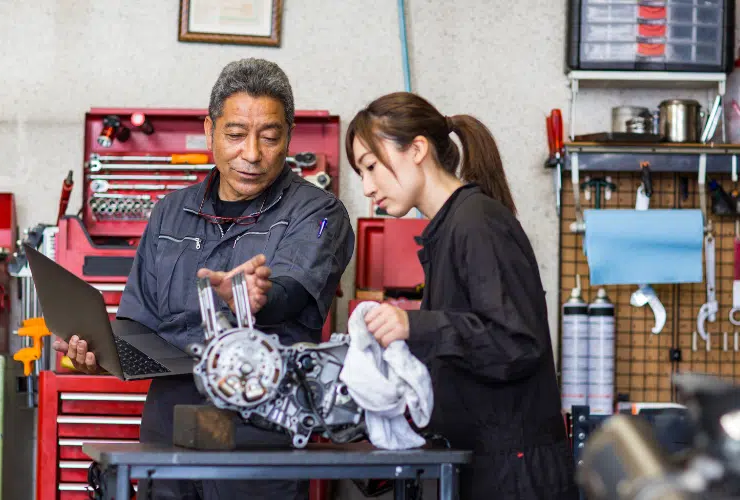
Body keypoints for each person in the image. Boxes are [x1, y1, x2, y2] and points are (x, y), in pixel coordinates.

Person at [52, 58, 355, 500]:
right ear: (210, 131)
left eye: (269, 138)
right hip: (168, 430)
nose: (251, 153)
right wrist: (100, 354)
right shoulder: (170, 212)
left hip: (258, 436)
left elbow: (291, 291)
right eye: (235, 135)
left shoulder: (318, 214)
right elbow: (139, 326)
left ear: (288, 137)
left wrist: (255, 297)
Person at [345, 92, 578, 499]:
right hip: (490, 462)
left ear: (417, 149)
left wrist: (413, 325)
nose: (367, 187)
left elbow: (516, 342)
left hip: (516, 473)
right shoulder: (450, 228)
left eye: (370, 167)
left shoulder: (477, 223)